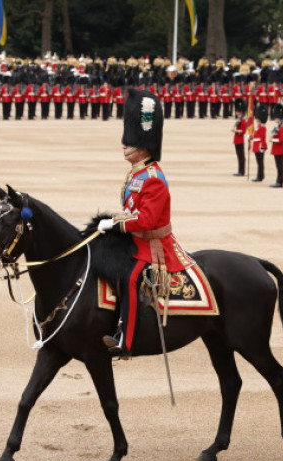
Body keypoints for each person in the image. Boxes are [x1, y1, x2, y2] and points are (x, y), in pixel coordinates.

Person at [97, 89, 194, 357]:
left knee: (129, 278)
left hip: (153, 244)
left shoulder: (153, 177)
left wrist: (116, 225)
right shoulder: (135, 174)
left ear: (143, 146)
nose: (124, 145)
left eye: (130, 141)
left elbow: (147, 220)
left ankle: (126, 342)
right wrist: (111, 222)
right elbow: (131, 210)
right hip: (136, 238)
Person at [249, 104, 269, 182]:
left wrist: (262, 148)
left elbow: (263, 138)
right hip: (256, 145)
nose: (256, 120)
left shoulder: (263, 127)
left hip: (259, 146)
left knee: (260, 163)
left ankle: (260, 176)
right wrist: (251, 137)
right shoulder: (258, 126)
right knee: (259, 162)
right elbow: (256, 136)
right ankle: (261, 175)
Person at [269, 104, 283, 188]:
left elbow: (282, 140)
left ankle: (280, 182)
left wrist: (273, 140)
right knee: (278, 166)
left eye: (276, 117)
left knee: (280, 166)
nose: (275, 119)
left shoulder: (282, 128)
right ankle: (278, 181)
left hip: (279, 149)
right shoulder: (278, 127)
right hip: (276, 149)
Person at [231, 98, 249, 176]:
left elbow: (243, 131)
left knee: (241, 157)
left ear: (240, 111)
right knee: (239, 157)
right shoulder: (239, 119)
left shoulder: (243, 120)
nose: (236, 112)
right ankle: (240, 170)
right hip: (237, 139)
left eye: (237, 111)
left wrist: (235, 131)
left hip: (240, 140)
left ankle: (242, 171)